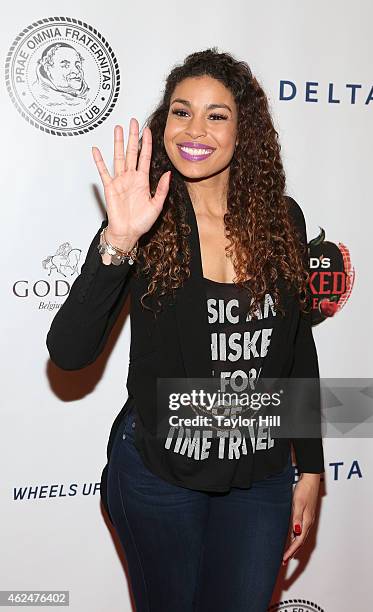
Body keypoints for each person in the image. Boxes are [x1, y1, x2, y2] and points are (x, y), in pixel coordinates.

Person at [46, 48, 325, 612]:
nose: (195, 130)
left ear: (244, 131)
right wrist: (119, 242)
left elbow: (295, 348)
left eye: (217, 115)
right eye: (181, 112)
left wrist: (312, 466)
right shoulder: (146, 219)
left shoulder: (282, 220)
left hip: (259, 475)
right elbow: (69, 353)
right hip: (158, 475)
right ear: (163, 123)